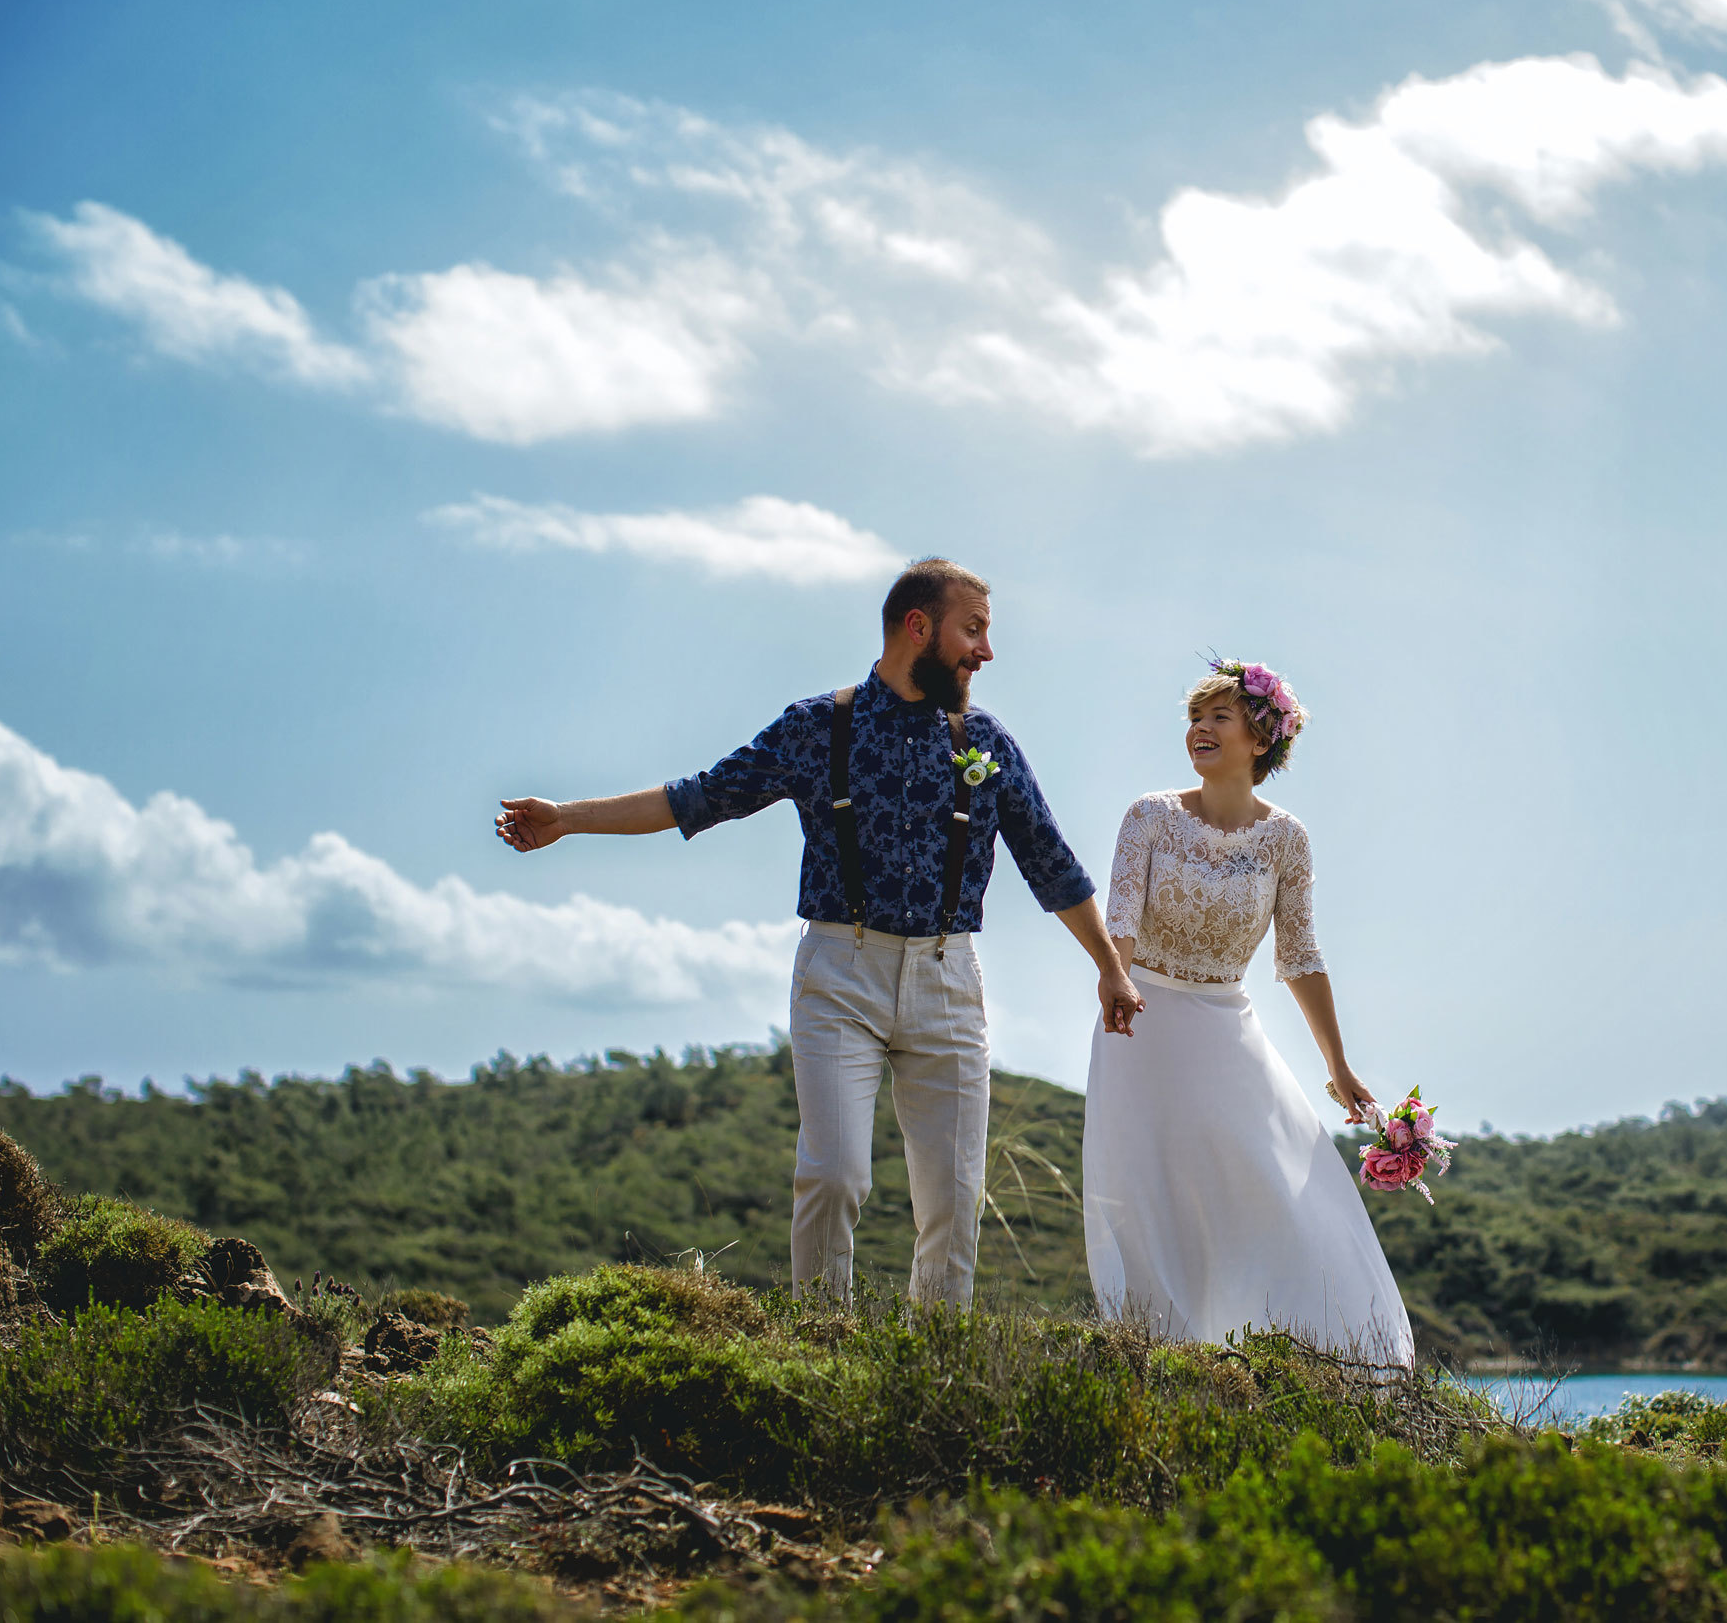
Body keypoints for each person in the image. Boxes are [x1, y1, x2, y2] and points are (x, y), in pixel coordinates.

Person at [494, 558, 1142, 1304]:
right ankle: (820, 1343)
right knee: (833, 1176)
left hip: (948, 977)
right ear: (917, 627)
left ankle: (932, 1379)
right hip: (840, 971)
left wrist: (1109, 966)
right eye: (974, 630)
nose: (985, 652)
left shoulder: (984, 740)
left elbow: (1050, 862)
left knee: (954, 1203)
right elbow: (701, 796)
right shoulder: (816, 726)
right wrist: (569, 819)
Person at [1082, 658, 1413, 1363]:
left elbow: (1299, 956)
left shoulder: (1286, 839)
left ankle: (1332, 1353)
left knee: (1272, 1186)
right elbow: (1122, 919)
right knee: (1149, 1193)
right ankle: (1161, 1357)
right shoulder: (1148, 816)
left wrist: (1338, 1063)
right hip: (1138, 1022)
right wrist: (1117, 977)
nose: (1200, 729)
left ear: (1260, 739)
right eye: (1194, 718)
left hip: (1226, 1026)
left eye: (1218, 718)